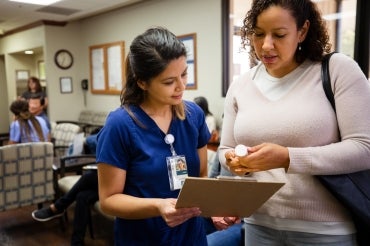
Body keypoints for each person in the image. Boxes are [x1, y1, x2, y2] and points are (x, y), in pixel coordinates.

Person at [219, 0, 370, 245]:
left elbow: (364, 148)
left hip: (326, 231)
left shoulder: (337, 70)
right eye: (258, 34)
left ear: (302, 30)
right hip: (259, 225)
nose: (266, 45)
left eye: (279, 35)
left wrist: (288, 157)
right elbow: (225, 149)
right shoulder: (240, 86)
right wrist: (234, 161)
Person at [96, 27, 211, 245]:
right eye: (169, 82)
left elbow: (201, 176)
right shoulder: (120, 125)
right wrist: (157, 206)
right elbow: (109, 200)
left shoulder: (193, 115)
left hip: (191, 237)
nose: (181, 86)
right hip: (143, 237)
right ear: (142, 82)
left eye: (184, 74)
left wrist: (214, 210)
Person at [32, 129, 100, 246]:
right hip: (109, 181)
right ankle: (76, 242)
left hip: (127, 183)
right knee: (82, 196)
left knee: (89, 177)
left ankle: (58, 207)